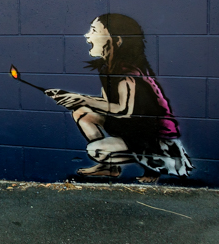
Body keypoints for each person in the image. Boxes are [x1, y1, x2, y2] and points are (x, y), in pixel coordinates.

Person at [48, 13, 192, 182]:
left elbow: (124, 110)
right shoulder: (108, 70)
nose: (87, 36)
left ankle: (154, 163)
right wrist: (75, 98)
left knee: (96, 150)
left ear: (116, 40)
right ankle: (109, 167)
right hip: (132, 129)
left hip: (154, 138)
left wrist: (83, 99)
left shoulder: (128, 73)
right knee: (81, 113)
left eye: (94, 31)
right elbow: (109, 104)